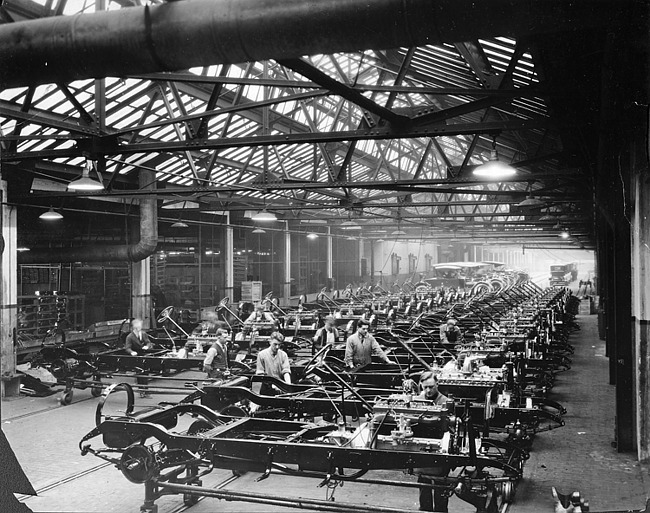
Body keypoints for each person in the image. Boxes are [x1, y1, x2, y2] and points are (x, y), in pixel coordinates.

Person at [416, 371, 451, 512]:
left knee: (440, 484)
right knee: (423, 482)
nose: (428, 390)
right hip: (422, 446)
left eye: (431, 387)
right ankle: (425, 510)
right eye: (425, 387)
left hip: (440, 447)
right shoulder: (418, 399)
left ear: (437, 384)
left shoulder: (445, 402)